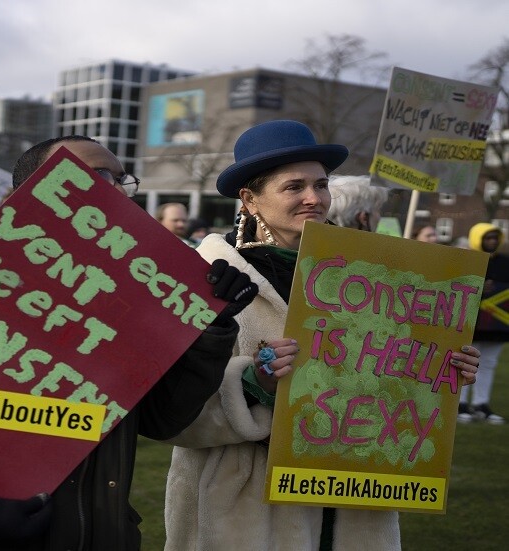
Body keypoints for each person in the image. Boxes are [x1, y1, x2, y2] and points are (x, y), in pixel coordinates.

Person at [0, 135, 260, 550]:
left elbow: (163, 420)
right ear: (34, 190)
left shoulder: (127, 300)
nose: (118, 190)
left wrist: (209, 330)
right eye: (98, 175)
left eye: (123, 179)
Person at [161, 120, 482, 550]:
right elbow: (173, 416)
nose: (314, 198)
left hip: (354, 503)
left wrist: (437, 367)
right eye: (294, 187)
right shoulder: (207, 276)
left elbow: (385, 385)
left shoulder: (373, 275)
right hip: (247, 511)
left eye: (321, 184)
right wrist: (254, 382)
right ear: (250, 199)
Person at [460, 223, 509, 424]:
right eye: (487, 238)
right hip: (471, 320)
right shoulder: (467, 260)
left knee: (489, 362)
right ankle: (460, 404)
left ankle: (481, 404)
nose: (492, 242)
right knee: (466, 361)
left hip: (497, 324)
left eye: (495, 238)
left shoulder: (505, 262)